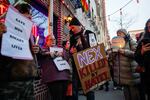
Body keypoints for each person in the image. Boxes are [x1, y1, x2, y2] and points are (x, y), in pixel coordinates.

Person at [0, 3, 39, 100]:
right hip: (10, 82)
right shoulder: (5, 29)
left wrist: (37, 49)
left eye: (30, 15)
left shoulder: (30, 36)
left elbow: (34, 52)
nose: (30, 17)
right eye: (26, 14)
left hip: (29, 80)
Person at [69, 17, 97, 100]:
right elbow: (71, 50)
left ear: (79, 26)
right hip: (76, 65)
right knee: (74, 89)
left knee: (89, 89)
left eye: (73, 27)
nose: (72, 30)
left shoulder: (90, 33)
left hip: (87, 65)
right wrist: (71, 51)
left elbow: (94, 48)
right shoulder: (72, 37)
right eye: (70, 28)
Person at [37, 35, 70, 100]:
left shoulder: (60, 49)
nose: (53, 41)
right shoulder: (43, 49)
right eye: (51, 39)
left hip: (64, 77)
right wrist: (49, 53)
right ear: (46, 41)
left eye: (54, 39)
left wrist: (64, 52)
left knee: (63, 97)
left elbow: (67, 57)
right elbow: (39, 53)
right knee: (57, 97)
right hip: (53, 78)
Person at [111, 29, 140, 100]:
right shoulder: (115, 44)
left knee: (134, 95)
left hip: (130, 74)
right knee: (126, 95)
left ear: (125, 34)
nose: (118, 35)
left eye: (120, 33)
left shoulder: (131, 42)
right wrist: (112, 53)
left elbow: (136, 54)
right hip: (122, 75)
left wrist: (124, 51)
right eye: (117, 34)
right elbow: (112, 58)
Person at [135, 18, 150, 100]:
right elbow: (136, 57)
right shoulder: (143, 41)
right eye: (148, 27)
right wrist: (142, 51)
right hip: (147, 74)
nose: (149, 29)